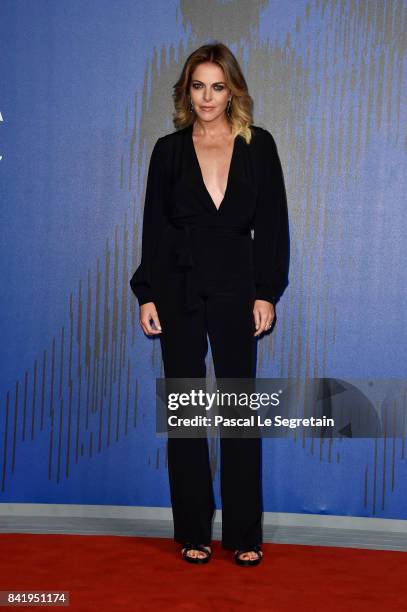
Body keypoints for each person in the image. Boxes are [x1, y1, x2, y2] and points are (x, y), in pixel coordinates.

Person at [130, 42, 289, 566]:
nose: (206, 96)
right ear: (186, 91)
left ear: (232, 91)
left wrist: (265, 291)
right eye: (197, 85)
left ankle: (244, 534)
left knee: (240, 415)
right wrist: (147, 293)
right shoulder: (167, 150)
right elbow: (155, 226)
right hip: (176, 287)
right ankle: (193, 529)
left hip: (237, 287)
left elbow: (271, 226)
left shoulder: (258, 146)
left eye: (217, 86)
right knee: (188, 413)